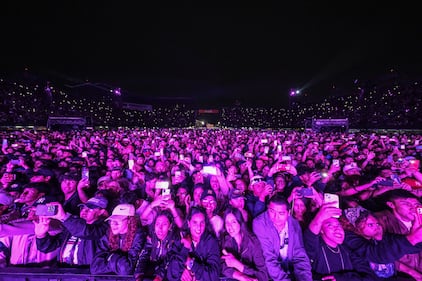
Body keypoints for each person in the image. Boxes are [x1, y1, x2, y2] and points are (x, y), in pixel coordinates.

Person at [303, 202, 377, 281]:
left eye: (339, 225)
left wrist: (342, 278)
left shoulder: (348, 250)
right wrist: (320, 217)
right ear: (321, 230)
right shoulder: (316, 249)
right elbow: (310, 237)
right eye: (330, 226)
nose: (337, 229)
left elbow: (369, 276)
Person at [34, 196, 109, 268]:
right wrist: (41, 236)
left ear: (101, 212)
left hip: (85, 273)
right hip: (64, 271)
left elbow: (87, 232)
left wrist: (64, 217)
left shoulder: (105, 227)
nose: (84, 211)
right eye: (82, 207)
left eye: (90, 209)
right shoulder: (72, 226)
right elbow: (48, 247)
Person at [345, 210, 422, 280]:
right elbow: (377, 254)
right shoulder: (351, 240)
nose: (377, 227)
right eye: (371, 225)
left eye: (377, 223)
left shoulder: (378, 236)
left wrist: (416, 234)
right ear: (357, 227)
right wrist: (413, 238)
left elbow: (410, 246)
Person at [253, 193, 312, 281]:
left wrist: (305, 278)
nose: (276, 217)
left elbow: (300, 255)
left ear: (288, 213)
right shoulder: (259, 224)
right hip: (270, 275)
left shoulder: (294, 224)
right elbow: (269, 258)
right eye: (272, 211)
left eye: (281, 213)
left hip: (290, 270)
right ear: (268, 209)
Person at [375, 189, 422, 280]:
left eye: (416, 205)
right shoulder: (380, 221)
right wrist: (412, 273)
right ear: (391, 205)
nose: (413, 208)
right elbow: (377, 254)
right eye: (406, 204)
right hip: (399, 276)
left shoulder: (420, 221)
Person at [90, 203, 147, 276]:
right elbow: (95, 268)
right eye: (111, 220)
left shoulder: (139, 236)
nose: (113, 224)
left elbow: (126, 269)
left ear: (129, 221)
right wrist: (118, 262)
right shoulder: (108, 234)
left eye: (118, 220)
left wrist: (110, 257)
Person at [167, 206, 221, 281]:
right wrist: (185, 248)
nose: (199, 227)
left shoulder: (211, 242)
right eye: (195, 222)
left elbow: (214, 275)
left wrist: (190, 263)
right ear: (189, 223)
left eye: (202, 222)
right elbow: (172, 273)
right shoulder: (181, 237)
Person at [220, 207, 268, 281]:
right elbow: (221, 265)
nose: (229, 227)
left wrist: (238, 265)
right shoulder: (226, 240)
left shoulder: (253, 242)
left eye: (233, 222)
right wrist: (240, 276)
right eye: (227, 223)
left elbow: (263, 276)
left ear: (240, 222)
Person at [136, 209, 180, 281]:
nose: (160, 228)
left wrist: (159, 276)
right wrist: (139, 274)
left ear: (170, 226)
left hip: (167, 274)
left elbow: (169, 260)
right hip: (154, 270)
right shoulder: (151, 238)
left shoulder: (174, 239)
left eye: (164, 224)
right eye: (157, 224)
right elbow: (144, 256)